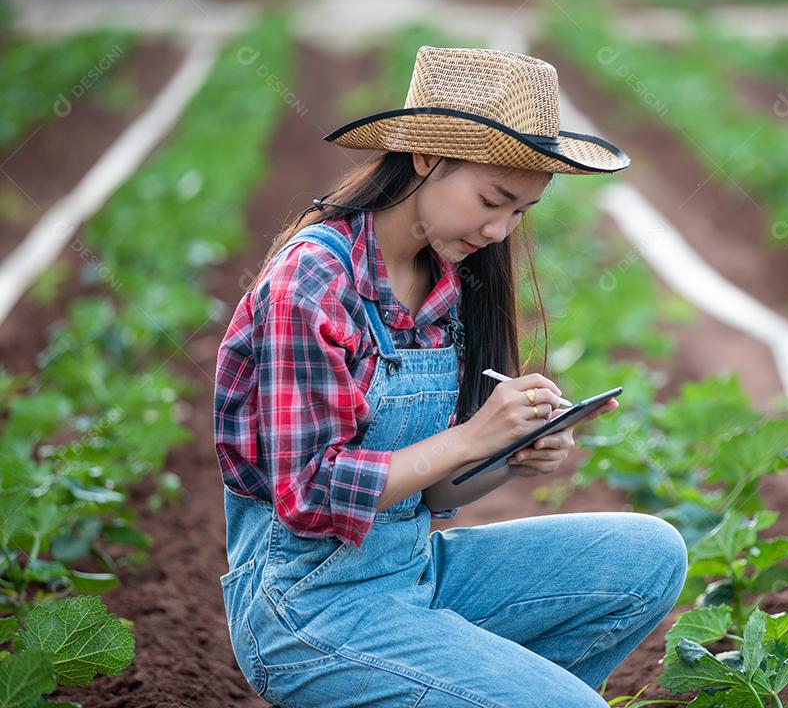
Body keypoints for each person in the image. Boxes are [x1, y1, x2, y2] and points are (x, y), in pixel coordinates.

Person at [213, 45, 688, 707]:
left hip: (409, 577)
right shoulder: (315, 281)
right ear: (428, 158)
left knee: (650, 555)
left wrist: (509, 453)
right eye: (493, 200)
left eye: (522, 211)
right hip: (307, 612)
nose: (500, 231)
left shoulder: (445, 286)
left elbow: (432, 499)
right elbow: (309, 494)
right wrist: (470, 437)